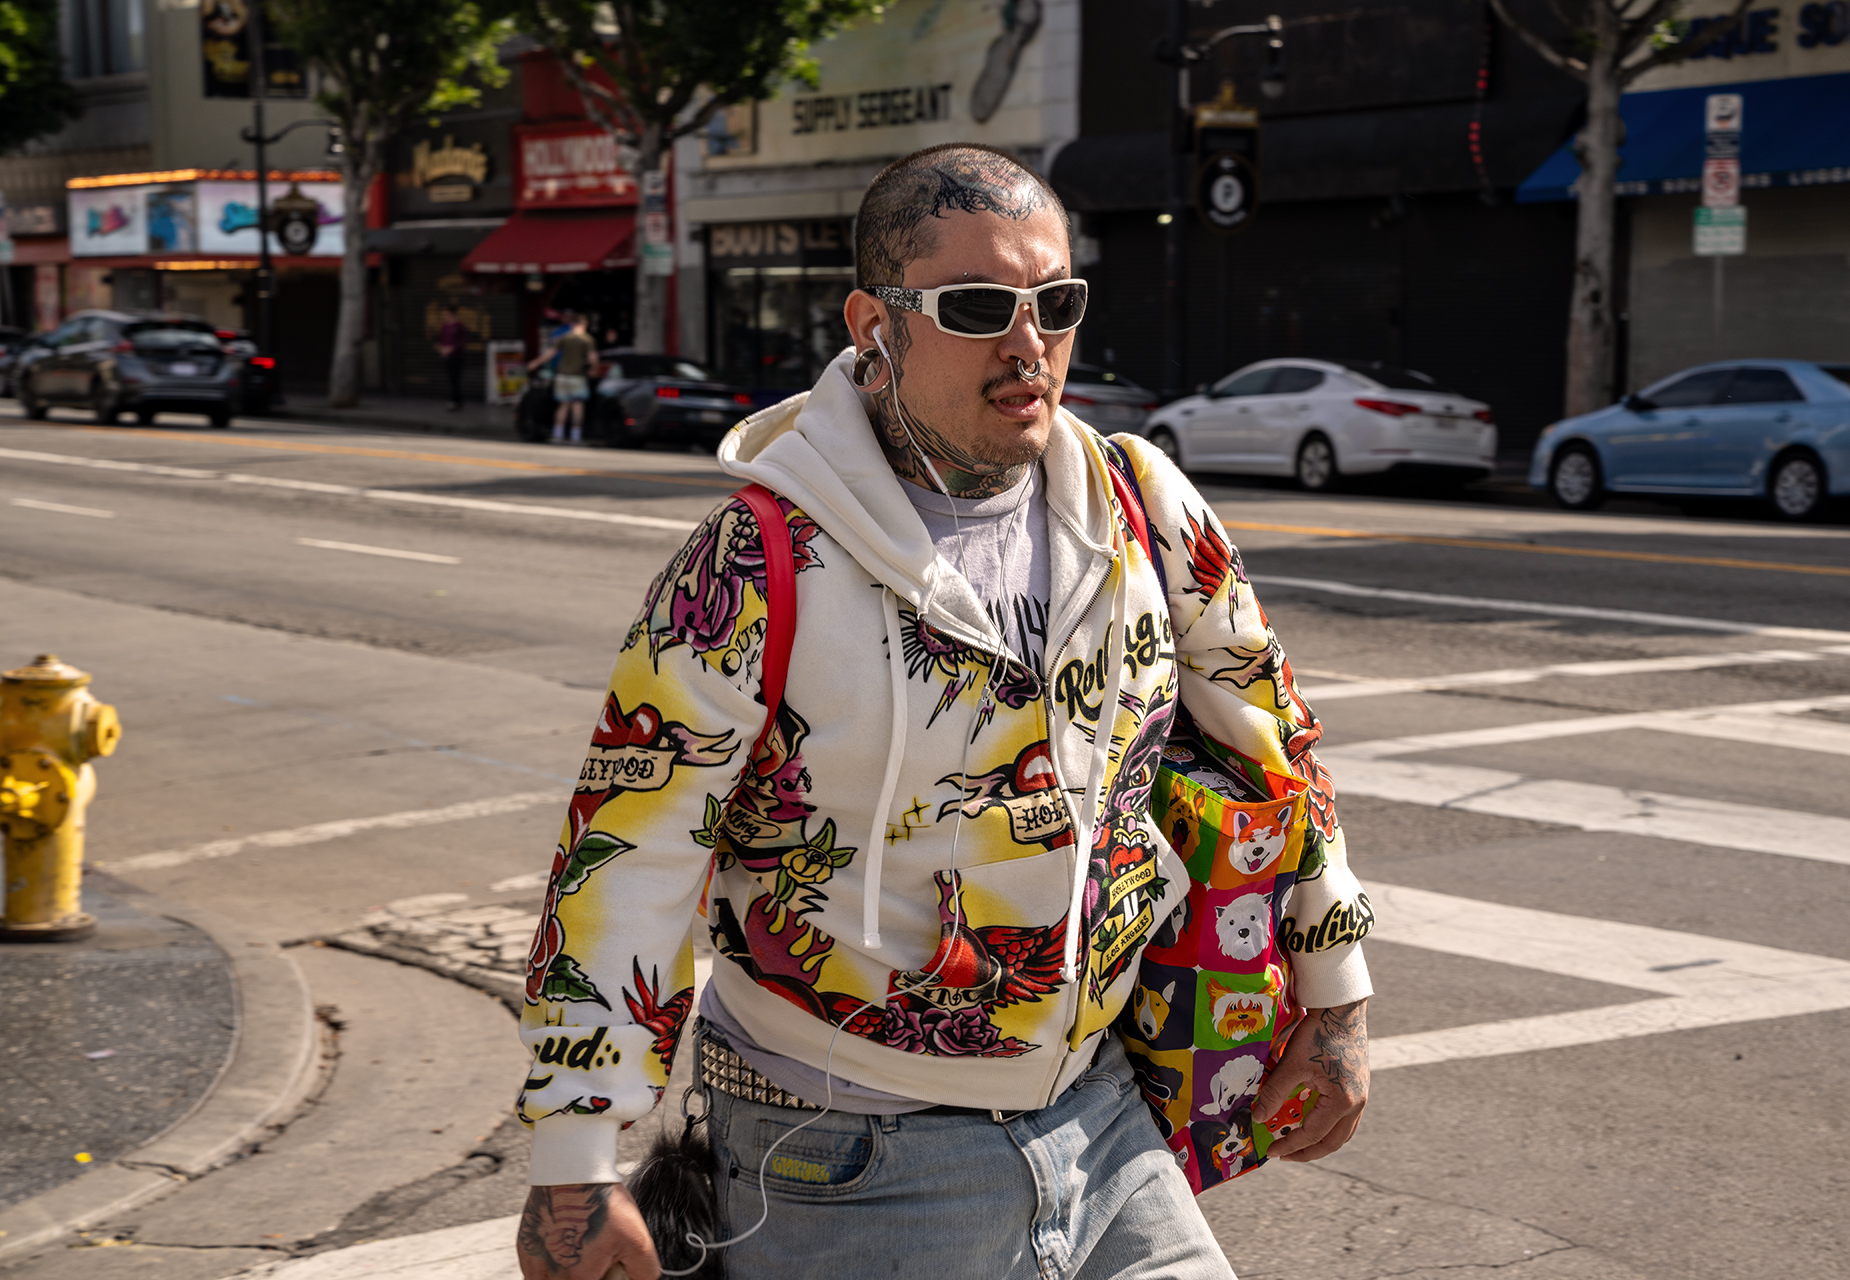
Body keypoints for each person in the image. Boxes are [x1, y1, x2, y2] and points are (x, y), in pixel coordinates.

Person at [513, 144, 1372, 1280]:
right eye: (976, 307)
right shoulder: (756, 563)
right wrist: (574, 1161)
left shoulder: (1142, 504)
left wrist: (1337, 996)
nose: (1028, 345)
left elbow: (1274, 735)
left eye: (1055, 303)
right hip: (844, 1157)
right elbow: (631, 848)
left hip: (1107, 1118)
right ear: (876, 325)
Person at [529, 312, 596, 443]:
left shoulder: (565, 337)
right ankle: (576, 436)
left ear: (572, 324)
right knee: (577, 406)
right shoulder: (587, 339)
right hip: (577, 377)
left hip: (562, 376)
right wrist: (594, 369)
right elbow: (592, 357)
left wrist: (535, 363)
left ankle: (557, 434)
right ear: (584, 324)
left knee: (563, 406)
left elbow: (550, 353)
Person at [435, 304, 472, 411]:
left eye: (446, 313)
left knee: (456, 379)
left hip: (457, 357)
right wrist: (442, 349)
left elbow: (463, 341)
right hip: (447, 357)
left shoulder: (459, 326)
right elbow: (441, 340)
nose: (444, 315)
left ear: (451, 313)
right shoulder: (444, 326)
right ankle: (458, 400)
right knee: (451, 379)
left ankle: (454, 401)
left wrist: (452, 348)